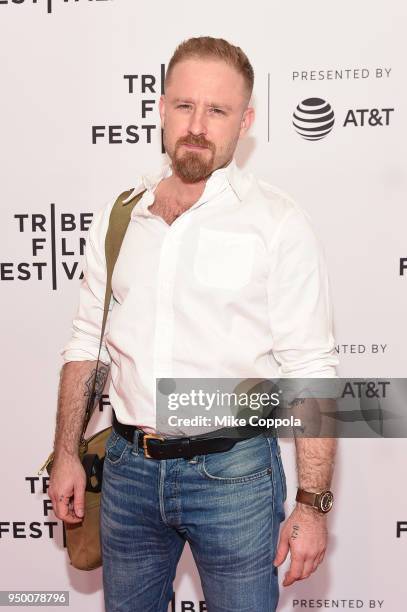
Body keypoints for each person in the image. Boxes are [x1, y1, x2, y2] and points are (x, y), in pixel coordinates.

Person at [49, 36, 338, 612]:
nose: (198, 125)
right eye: (185, 106)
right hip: (128, 471)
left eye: (219, 110)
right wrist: (65, 452)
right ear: (160, 108)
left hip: (235, 475)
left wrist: (310, 504)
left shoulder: (276, 222)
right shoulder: (122, 214)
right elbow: (88, 342)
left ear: (245, 121)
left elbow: (311, 368)